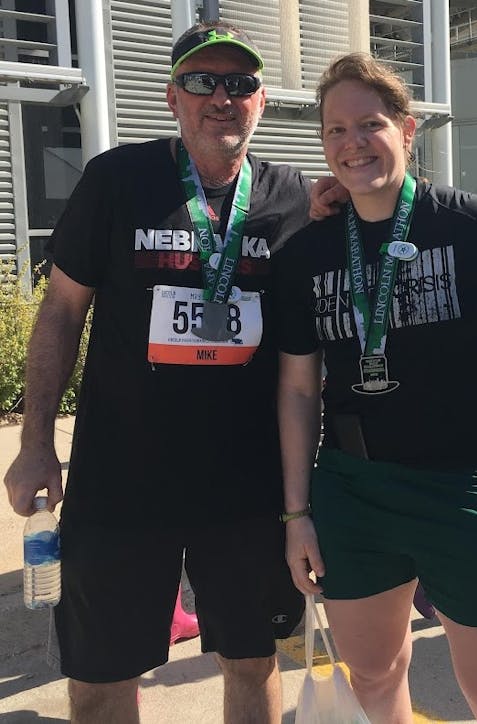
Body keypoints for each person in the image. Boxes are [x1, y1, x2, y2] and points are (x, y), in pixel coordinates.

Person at [3, 21, 310, 723]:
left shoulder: (292, 196)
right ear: (173, 98)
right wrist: (36, 441)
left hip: (247, 487)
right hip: (121, 481)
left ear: (262, 101)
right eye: (202, 82)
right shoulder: (118, 179)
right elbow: (60, 313)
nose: (222, 97)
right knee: (102, 671)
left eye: (241, 83)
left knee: (252, 658)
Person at [274, 53, 477, 724]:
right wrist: (297, 514)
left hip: (465, 485)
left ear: (409, 130)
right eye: (335, 130)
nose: (352, 144)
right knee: (374, 675)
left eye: (370, 124)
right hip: (355, 490)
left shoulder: (473, 226)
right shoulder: (308, 251)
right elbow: (300, 391)